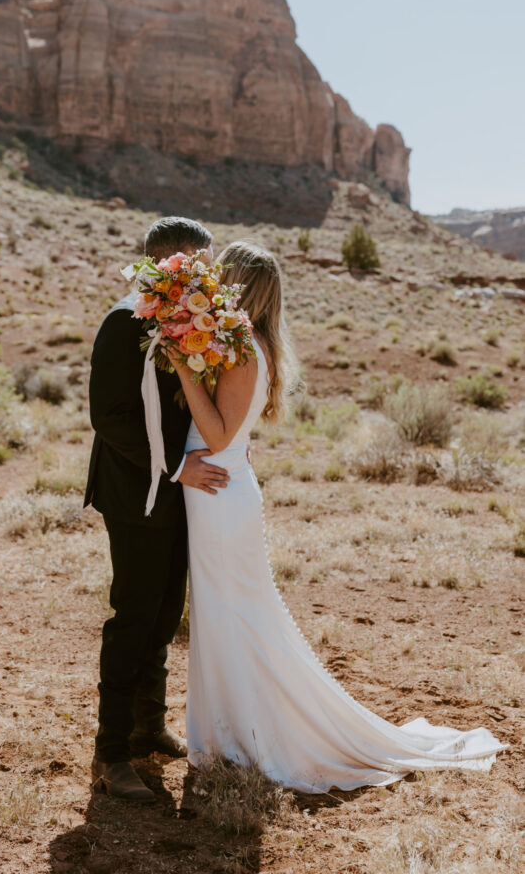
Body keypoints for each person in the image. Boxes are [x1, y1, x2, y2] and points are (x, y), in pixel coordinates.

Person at [168, 240, 506, 792]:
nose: (214, 283)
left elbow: (220, 435)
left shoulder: (245, 349)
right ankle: (231, 736)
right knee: (225, 615)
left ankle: (245, 739)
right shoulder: (248, 344)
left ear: (241, 286)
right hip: (221, 492)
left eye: (223, 275)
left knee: (237, 617)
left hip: (220, 496)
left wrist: (183, 368)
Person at [84, 216, 231, 802]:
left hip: (177, 490)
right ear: (170, 263)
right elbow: (110, 417)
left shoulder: (184, 323)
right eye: (203, 262)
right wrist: (176, 465)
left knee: (168, 608)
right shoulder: (125, 322)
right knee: (135, 614)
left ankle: (150, 725)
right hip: (135, 491)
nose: (212, 274)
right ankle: (111, 752)